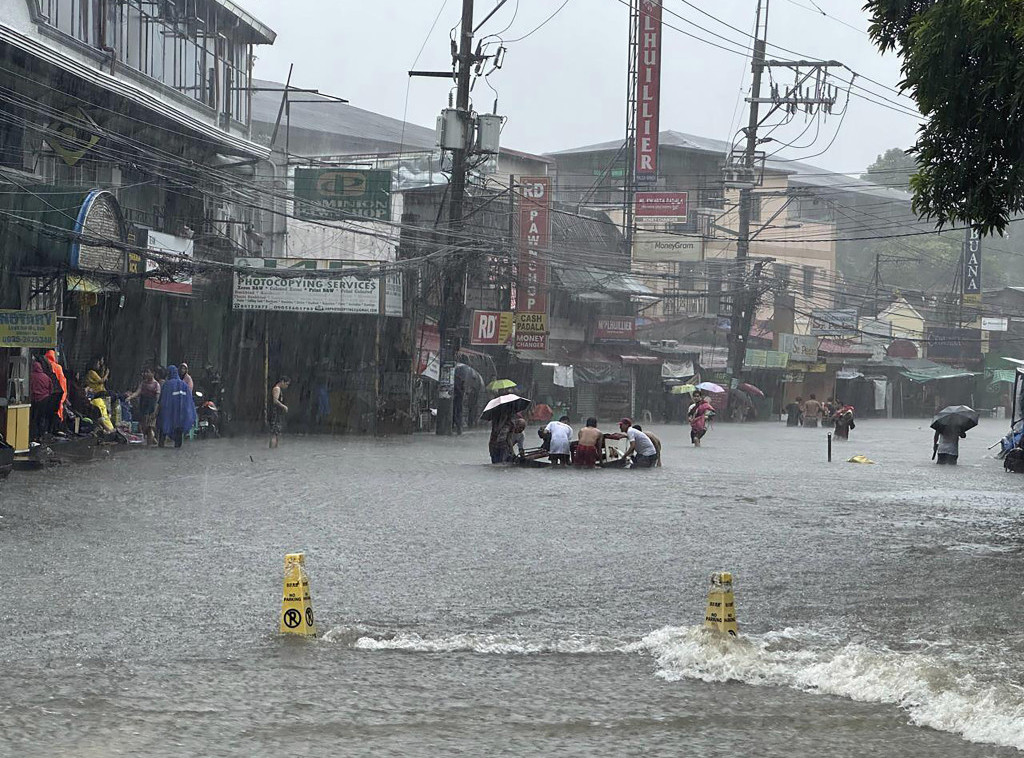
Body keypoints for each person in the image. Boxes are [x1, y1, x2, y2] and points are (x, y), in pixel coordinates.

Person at [157, 365, 196, 448]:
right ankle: (177, 446)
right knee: (178, 429)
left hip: (168, 412)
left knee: (164, 426)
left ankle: (161, 444)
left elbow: (162, 399)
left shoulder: (167, 384)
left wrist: (159, 409)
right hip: (180, 413)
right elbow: (189, 400)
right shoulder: (184, 385)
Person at [127, 367, 160, 445]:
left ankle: (149, 445)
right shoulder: (143, 383)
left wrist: (156, 410)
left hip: (152, 407)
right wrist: (130, 397)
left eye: (148, 372)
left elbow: (157, 399)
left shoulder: (156, 384)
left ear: (153, 373)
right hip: (143, 406)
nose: (146, 374)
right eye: (145, 372)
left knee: (150, 427)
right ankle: (152, 441)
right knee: (143, 426)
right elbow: (138, 392)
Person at [29, 356, 53, 441]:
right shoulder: (46, 377)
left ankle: (33, 435)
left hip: (35, 400)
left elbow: (29, 388)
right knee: (41, 418)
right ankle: (41, 435)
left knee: (33, 418)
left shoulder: (31, 377)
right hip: (45, 399)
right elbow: (51, 389)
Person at [44, 349, 68, 425]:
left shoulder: (43, 366)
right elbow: (62, 382)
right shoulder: (58, 367)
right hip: (56, 393)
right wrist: (63, 396)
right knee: (57, 411)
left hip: (46, 393)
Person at [269, 375, 290, 449]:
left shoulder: (279, 389)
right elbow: (275, 400)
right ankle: (272, 449)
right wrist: (283, 406)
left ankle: (275, 449)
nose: (287, 386)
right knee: (274, 434)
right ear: (282, 382)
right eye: (286, 384)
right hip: (275, 414)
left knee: (276, 433)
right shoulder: (277, 389)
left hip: (277, 414)